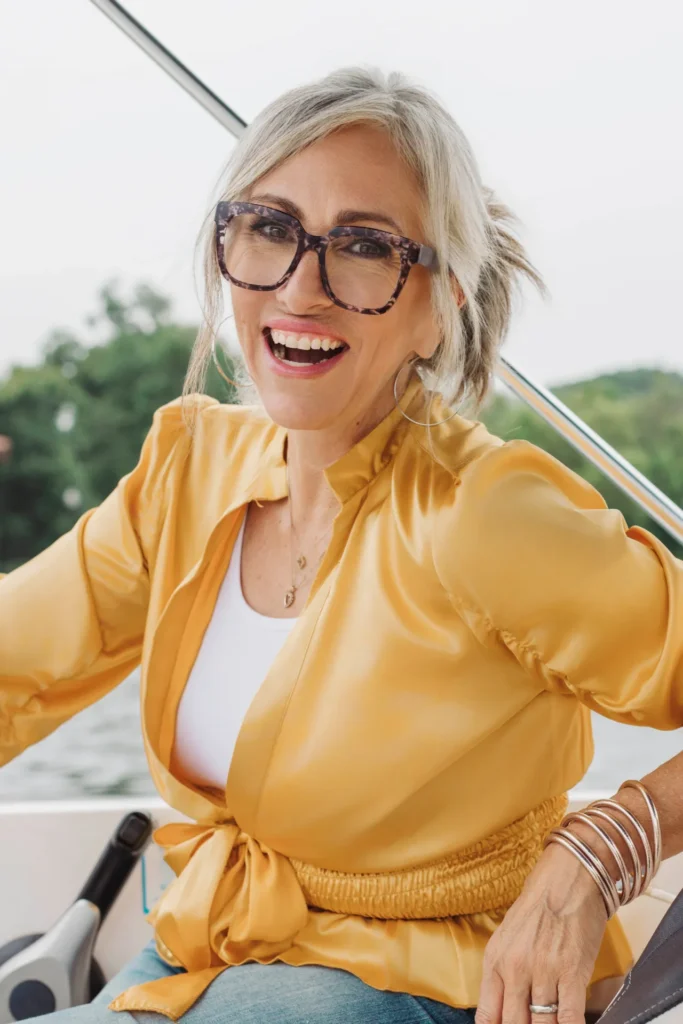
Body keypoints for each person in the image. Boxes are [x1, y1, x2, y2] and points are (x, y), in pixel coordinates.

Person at [1, 67, 682, 1024]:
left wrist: (601, 850)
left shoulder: (485, 511)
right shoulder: (186, 473)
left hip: (427, 987)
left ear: (439, 299)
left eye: (364, 246)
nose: (300, 286)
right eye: (270, 227)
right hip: (209, 944)